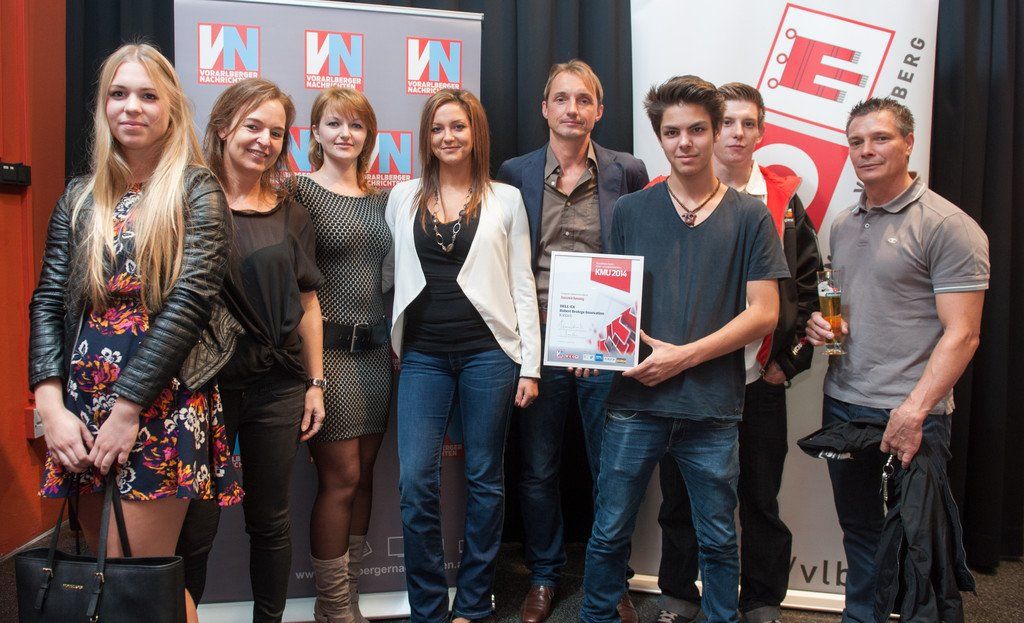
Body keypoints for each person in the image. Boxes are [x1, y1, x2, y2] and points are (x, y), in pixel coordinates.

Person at [28, 43, 241, 623]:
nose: (132, 107)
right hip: (81, 410)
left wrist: (127, 410)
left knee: (136, 581)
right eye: (118, 94)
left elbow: (190, 304)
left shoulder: (197, 190)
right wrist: (50, 405)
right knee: (109, 575)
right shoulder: (80, 196)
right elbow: (48, 300)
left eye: (148, 95)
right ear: (103, 106)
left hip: (159, 404)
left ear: (171, 109)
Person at [579, 75, 789, 623]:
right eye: (672, 132)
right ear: (660, 138)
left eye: (697, 129)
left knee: (718, 539)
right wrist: (594, 348)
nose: (685, 142)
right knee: (609, 531)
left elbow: (765, 313)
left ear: (715, 132)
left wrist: (684, 356)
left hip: (711, 408)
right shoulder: (630, 211)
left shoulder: (751, 215)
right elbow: (611, 297)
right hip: (635, 403)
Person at [804, 97, 988, 623]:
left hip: (911, 413)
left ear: (908, 143)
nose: (866, 150)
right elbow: (851, 306)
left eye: (880, 138)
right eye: (856, 141)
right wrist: (824, 326)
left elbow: (964, 334)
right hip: (844, 404)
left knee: (918, 545)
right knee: (860, 532)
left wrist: (913, 410)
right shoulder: (844, 223)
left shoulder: (948, 225)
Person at [650, 82, 820, 623]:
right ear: (712, 129)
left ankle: (763, 600)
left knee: (760, 496)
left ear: (762, 132)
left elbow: (807, 287)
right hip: (686, 380)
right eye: (728, 123)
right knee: (680, 496)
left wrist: (786, 363)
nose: (738, 133)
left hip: (756, 379)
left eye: (750, 123)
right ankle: (679, 594)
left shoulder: (781, 203)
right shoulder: (662, 196)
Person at [495, 59, 649, 623]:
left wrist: (603, 340)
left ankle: (610, 579)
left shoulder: (627, 170)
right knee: (537, 467)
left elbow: (639, 254)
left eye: (583, 99)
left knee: (612, 468)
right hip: (534, 343)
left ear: (599, 110)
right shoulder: (515, 172)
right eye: (561, 98)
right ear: (544, 108)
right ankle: (543, 574)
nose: (572, 109)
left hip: (605, 343)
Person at [386, 88, 541, 623]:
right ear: (425, 138)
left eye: (458, 127)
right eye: (437, 128)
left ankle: (473, 604)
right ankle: (428, 609)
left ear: (476, 133)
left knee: (484, 479)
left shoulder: (506, 199)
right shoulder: (402, 196)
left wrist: (531, 364)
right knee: (415, 483)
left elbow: (522, 284)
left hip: (489, 354)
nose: (447, 137)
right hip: (422, 355)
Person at [175, 78, 326, 623]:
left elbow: (307, 303)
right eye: (252, 126)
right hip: (203, 385)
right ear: (222, 128)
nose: (264, 141)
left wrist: (316, 383)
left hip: (277, 383)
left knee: (270, 520)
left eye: (276, 133)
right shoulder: (186, 202)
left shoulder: (291, 212)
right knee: (196, 525)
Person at [292, 87, 392, 623]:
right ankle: (334, 607)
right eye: (334, 123)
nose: (345, 134)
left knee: (366, 476)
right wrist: (310, 374)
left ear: (368, 136)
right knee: (341, 479)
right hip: (326, 357)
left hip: (375, 357)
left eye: (355, 125)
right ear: (315, 132)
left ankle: (342, 604)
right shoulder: (298, 192)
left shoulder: (382, 200)